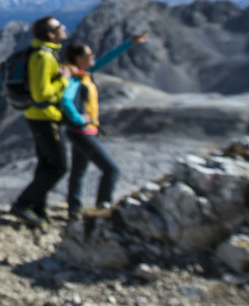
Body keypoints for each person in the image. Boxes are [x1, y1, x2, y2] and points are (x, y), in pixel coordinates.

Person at [59, 31, 149, 220]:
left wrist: (129, 43)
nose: (93, 57)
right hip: (82, 131)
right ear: (78, 58)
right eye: (89, 55)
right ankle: (102, 206)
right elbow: (65, 100)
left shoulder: (85, 73)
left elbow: (108, 58)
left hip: (84, 131)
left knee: (78, 173)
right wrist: (78, 119)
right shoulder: (74, 78)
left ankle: (74, 210)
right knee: (111, 169)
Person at [9, 16, 71, 225]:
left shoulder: (43, 52)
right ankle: (23, 204)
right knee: (59, 166)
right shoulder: (43, 57)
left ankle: (37, 207)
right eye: (59, 26)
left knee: (46, 164)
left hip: (39, 117)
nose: (64, 27)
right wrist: (63, 80)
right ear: (51, 34)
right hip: (44, 117)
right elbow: (41, 93)